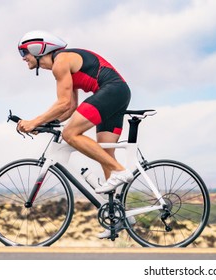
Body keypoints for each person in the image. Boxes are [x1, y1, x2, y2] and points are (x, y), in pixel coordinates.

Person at [15, 31, 135, 238]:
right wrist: (45, 124)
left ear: (38, 49)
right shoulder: (62, 64)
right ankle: (119, 217)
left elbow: (62, 104)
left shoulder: (61, 62)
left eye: (24, 52)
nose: (23, 57)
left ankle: (120, 171)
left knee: (71, 134)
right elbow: (70, 107)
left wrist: (35, 120)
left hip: (111, 91)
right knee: (105, 155)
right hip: (116, 93)